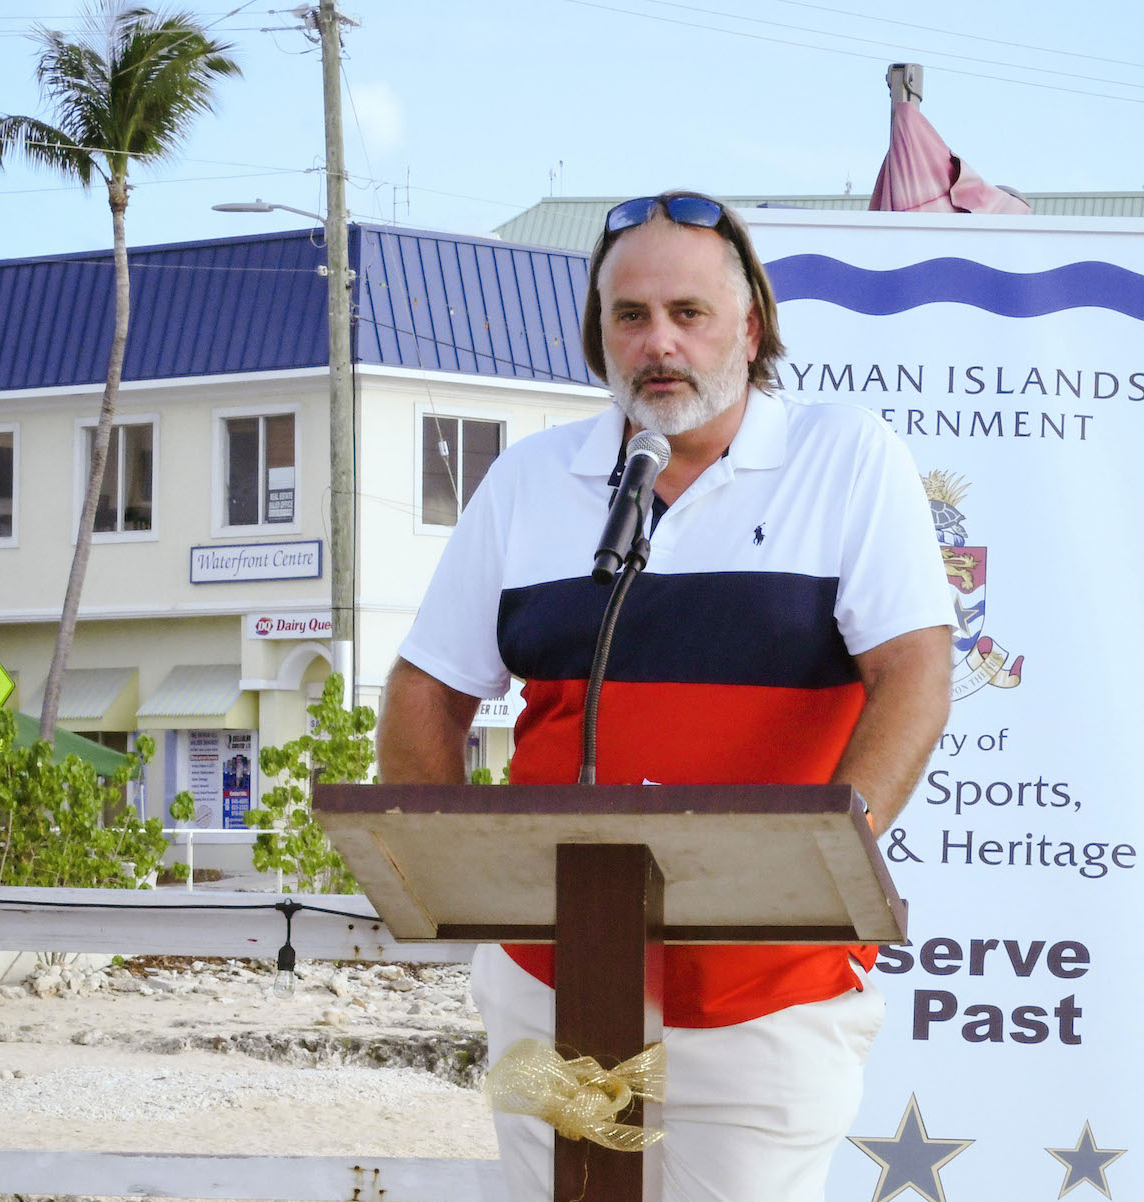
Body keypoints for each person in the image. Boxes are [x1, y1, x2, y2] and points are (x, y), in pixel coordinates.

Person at [376, 190, 955, 1201]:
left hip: (766, 995)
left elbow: (914, 674)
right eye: (629, 315)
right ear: (597, 334)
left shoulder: (842, 457)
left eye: (688, 313)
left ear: (750, 327)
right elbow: (426, 688)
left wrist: (823, 857)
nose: (658, 343)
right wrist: (465, 882)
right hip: (551, 980)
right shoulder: (529, 480)